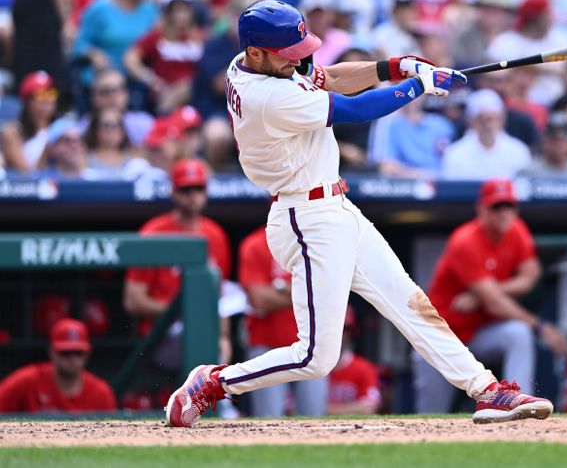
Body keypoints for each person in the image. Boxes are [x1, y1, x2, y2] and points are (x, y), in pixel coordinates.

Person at [165, 0, 555, 428]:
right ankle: (214, 381)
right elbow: (353, 109)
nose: (298, 60)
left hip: (334, 206)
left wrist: (396, 66)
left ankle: (486, 390)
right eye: (288, 54)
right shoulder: (267, 96)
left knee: (411, 303)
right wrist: (418, 87)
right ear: (257, 52)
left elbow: (328, 76)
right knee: (316, 357)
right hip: (305, 218)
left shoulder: (254, 61)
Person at [413, 178, 567, 414]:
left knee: (517, 334)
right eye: (496, 207)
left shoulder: (516, 230)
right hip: (443, 337)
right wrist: (540, 326)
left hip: (478, 333)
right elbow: (496, 304)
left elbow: (531, 274)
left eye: (508, 206)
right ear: (482, 210)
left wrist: (483, 294)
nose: (503, 213)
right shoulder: (465, 240)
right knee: (431, 415)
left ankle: (519, 404)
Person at [124, 158, 233, 367]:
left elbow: (221, 295)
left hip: (203, 329)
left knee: (218, 355)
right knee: (202, 351)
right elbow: (132, 300)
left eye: (198, 189)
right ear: (173, 192)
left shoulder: (215, 234)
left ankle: (220, 398)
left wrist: (224, 336)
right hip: (162, 333)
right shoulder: (153, 233)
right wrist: (184, 312)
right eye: (186, 189)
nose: (193, 196)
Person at [237, 226, 328, 417]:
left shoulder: (316, 241)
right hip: (267, 346)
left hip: (311, 347)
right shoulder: (256, 244)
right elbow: (259, 299)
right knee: (267, 419)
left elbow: (325, 292)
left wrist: (279, 287)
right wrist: (304, 292)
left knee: (313, 419)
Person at [0, 318, 116, 413]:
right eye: (65, 353)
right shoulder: (27, 380)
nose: (72, 358)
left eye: (78, 352)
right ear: (52, 352)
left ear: (87, 354)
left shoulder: (101, 392)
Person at [12, 0, 71, 102]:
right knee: (47, 61)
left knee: (27, 59)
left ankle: (27, 105)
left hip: (25, 1)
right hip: (42, 5)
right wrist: (65, 18)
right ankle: (49, 105)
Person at [441, 89, 532, 180]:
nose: (488, 126)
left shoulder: (519, 151)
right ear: (471, 122)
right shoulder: (455, 153)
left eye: (492, 119)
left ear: (502, 120)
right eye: (482, 120)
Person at [327, 306, 381, 416]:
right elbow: (291, 409)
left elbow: (369, 407)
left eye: (343, 330)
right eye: (332, 328)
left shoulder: (363, 368)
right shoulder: (306, 366)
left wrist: (324, 411)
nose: (338, 335)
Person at [1, 71, 59, 173]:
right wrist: (47, 151)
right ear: (27, 102)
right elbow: (26, 173)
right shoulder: (13, 132)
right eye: (41, 95)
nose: (47, 101)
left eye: (51, 94)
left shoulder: (60, 129)